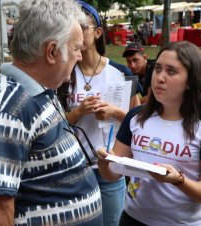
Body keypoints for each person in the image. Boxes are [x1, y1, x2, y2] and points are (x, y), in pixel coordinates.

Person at [0, 0, 103, 225]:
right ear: (51, 51)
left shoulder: (40, 92)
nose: (80, 56)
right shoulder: (7, 110)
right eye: (76, 49)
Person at [97, 41, 201, 226]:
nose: (160, 77)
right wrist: (105, 163)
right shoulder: (136, 117)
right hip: (132, 219)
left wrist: (178, 181)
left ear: (191, 81)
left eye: (171, 71)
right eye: (158, 69)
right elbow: (113, 174)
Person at [57, 2, 140, 226]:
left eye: (82, 26)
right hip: (73, 169)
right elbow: (54, 123)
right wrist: (79, 112)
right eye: (71, 25)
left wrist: (114, 112)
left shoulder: (120, 73)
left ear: (98, 32)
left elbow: (141, 123)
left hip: (110, 167)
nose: (76, 30)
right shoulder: (63, 74)